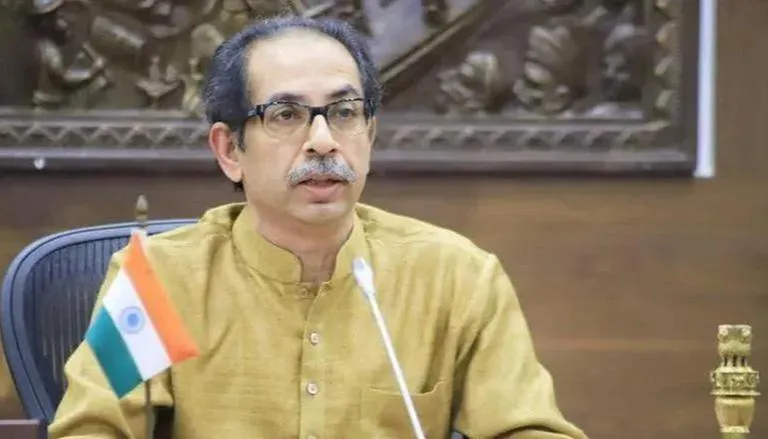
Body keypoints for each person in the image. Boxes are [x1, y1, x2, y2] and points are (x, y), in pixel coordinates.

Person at [48, 16, 587, 439]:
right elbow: (92, 430)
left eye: (345, 112)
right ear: (230, 150)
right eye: (286, 115)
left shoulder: (456, 277)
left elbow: (530, 430)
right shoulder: (155, 280)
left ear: (369, 134)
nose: (324, 140)